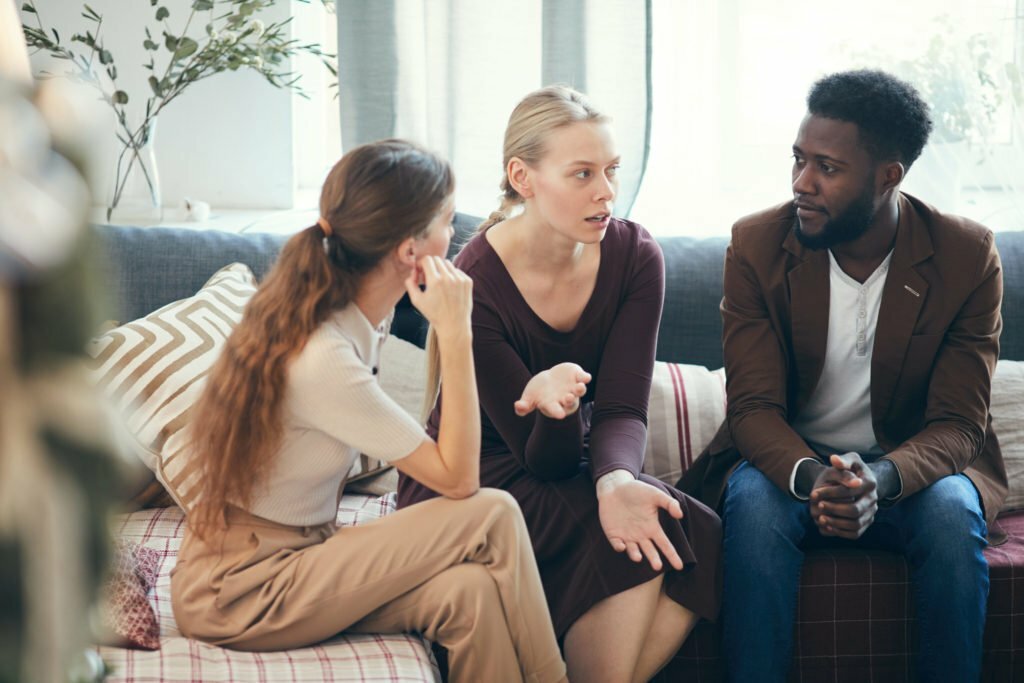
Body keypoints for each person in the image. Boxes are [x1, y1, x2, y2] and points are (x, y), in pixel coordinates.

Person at [170, 139, 567, 683]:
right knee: (493, 512)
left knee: (468, 594)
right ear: (410, 250)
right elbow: (459, 479)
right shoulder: (324, 354)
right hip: (243, 588)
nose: (456, 238)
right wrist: (455, 332)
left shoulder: (345, 314)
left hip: (296, 554)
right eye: (448, 222)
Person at [679, 69, 1007, 682]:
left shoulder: (965, 257)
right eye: (799, 160)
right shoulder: (757, 245)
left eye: (826, 168)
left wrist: (879, 480)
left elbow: (960, 424)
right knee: (751, 506)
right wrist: (814, 478)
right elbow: (751, 408)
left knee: (949, 512)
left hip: (910, 470)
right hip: (789, 466)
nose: (801, 183)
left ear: (889, 176)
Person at [398, 86, 722, 683]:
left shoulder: (635, 256)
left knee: (692, 524)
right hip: (479, 479)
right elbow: (536, 459)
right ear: (523, 177)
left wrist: (616, 482)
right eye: (582, 174)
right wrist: (550, 407)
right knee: (630, 537)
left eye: (611, 170)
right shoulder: (477, 282)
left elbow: (623, 408)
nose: (606, 191)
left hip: (570, 459)